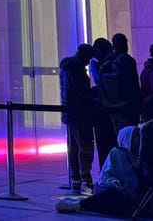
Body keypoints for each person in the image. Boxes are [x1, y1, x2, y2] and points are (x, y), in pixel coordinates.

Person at [60, 44, 98, 195]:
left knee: (74, 148)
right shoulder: (77, 70)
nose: (89, 62)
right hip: (80, 113)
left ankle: (76, 179)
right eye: (88, 58)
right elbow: (82, 92)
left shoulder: (66, 66)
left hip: (69, 113)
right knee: (85, 147)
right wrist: (95, 94)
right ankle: (86, 179)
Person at [98, 33, 141, 133]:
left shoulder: (106, 60)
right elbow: (133, 85)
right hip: (127, 105)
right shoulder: (128, 60)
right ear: (125, 44)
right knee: (130, 134)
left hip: (110, 104)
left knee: (119, 134)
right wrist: (139, 105)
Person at [91, 37, 118, 162]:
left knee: (105, 141)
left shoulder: (96, 64)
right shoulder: (114, 62)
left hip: (103, 105)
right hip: (114, 104)